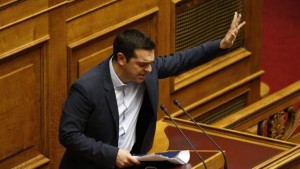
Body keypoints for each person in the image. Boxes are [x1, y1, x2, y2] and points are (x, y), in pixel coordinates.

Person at [59, 12, 246, 169]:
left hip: (133, 162)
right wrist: (112, 154)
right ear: (122, 59)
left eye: (151, 63)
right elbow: (68, 134)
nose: (149, 70)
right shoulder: (87, 87)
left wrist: (221, 45)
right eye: (142, 64)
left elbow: (182, 60)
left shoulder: (148, 69)